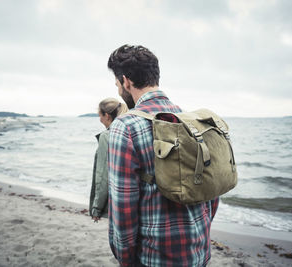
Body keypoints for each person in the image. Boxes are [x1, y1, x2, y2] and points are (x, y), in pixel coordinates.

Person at [107, 45, 219, 267]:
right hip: (198, 251)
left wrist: (125, 259)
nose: (119, 90)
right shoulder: (190, 120)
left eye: (118, 84)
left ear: (126, 81)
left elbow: (123, 209)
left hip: (154, 257)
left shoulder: (126, 126)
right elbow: (212, 191)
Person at [89, 98, 128, 223]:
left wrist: (96, 208)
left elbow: (103, 175)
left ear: (106, 115)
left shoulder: (107, 136)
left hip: (116, 202)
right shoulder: (126, 130)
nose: (100, 120)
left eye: (100, 116)